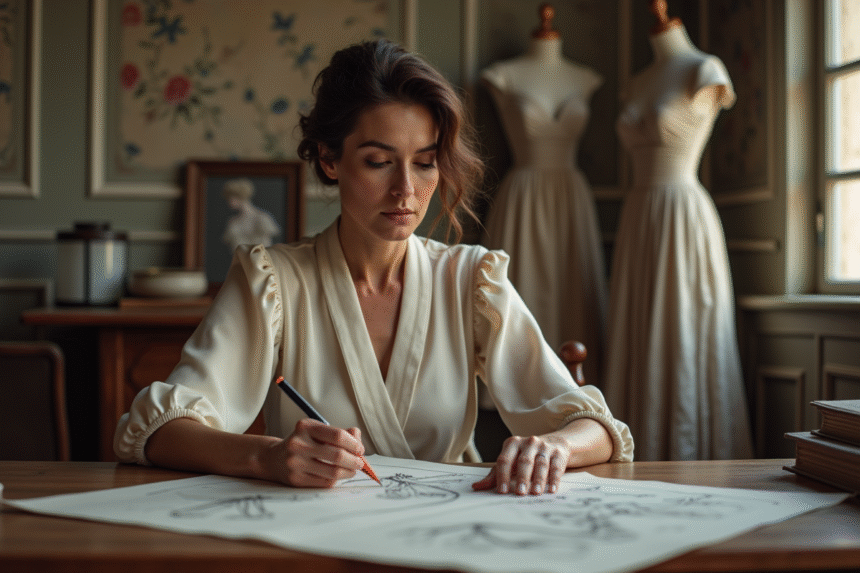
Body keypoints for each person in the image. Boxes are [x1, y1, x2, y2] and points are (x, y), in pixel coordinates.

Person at [114, 39, 633, 496]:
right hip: (318, 546)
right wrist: (266, 457)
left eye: (426, 161)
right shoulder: (272, 280)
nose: (406, 190)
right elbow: (158, 429)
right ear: (329, 159)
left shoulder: (471, 280)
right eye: (379, 162)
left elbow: (598, 427)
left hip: (450, 538)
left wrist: (556, 448)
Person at [604, 1, 752, 461]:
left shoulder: (705, 69)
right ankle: (636, 452)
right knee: (639, 337)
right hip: (639, 220)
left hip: (683, 216)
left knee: (684, 333)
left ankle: (692, 457)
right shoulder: (638, 79)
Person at [480, 3, 607, 386]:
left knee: (574, 309)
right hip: (523, 199)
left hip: (572, 202)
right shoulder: (501, 76)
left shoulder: (585, 77)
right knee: (520, 301)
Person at [221, 178, 281, 253]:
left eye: (230, 197)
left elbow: (267, 248)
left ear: (240, 196)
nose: (228, 201)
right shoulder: (233, 223)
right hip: (241, 263)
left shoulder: (262, 218)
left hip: (261, 262)